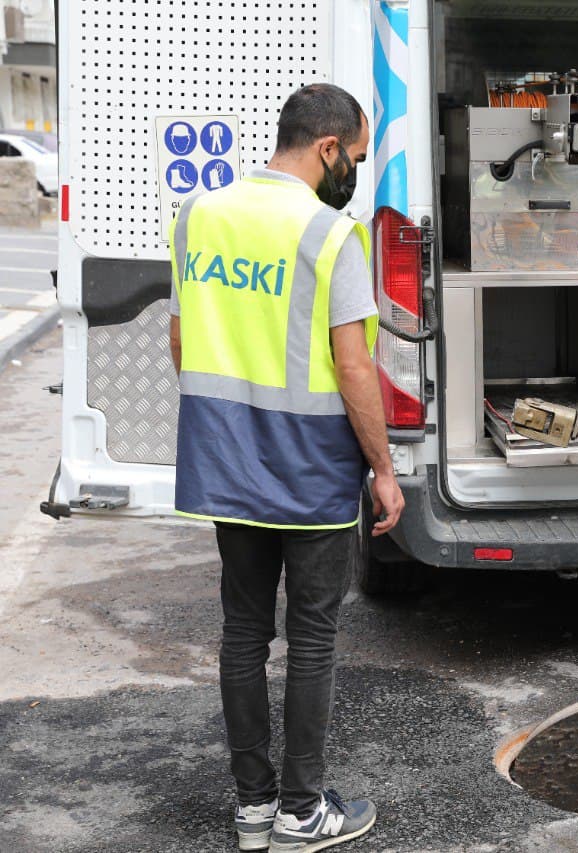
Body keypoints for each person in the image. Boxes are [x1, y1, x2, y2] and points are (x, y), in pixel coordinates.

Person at [167, 83, 404, 851]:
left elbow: (181, 339)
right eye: (357, 159)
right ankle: (302, 811)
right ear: (328, 147)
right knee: (311, 636)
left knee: (242, 631)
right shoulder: (330, 235)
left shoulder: (199, 215)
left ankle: (252, 808)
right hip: (308, 467)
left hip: (225, 461)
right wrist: (383, 467)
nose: (355, 174)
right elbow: (355, 368)